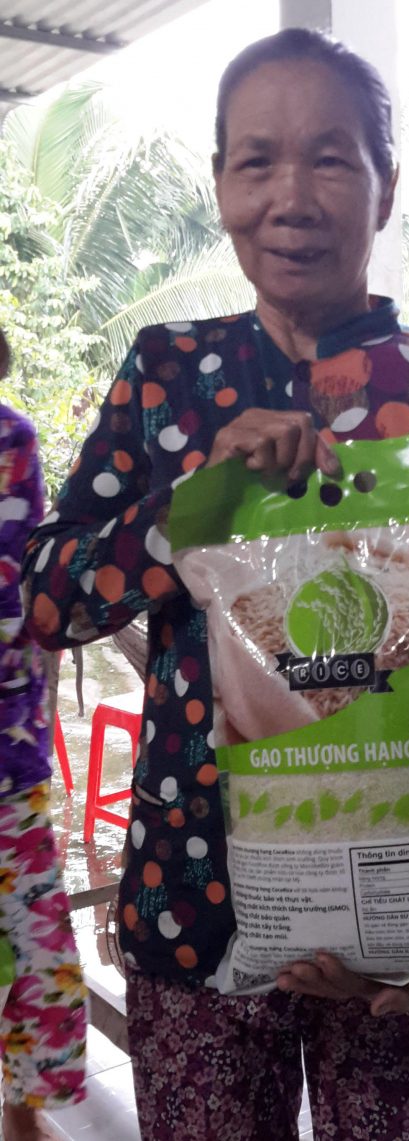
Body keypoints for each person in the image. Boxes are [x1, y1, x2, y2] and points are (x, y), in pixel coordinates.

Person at [22, 29, 409, 1141]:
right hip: (195, 900)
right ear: (220, 186)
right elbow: (47, 599)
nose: (291, 197)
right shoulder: (168, 375)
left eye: (331, 158)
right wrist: (191, 508)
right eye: (257, 160)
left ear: (386, 185)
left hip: (402, 913)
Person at [0, 329, 88, 1141]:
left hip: (8, 750)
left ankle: (22, 1108)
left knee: (36, 944)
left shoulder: (10, 439)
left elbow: (25, 589)